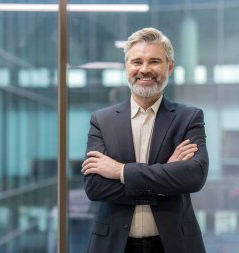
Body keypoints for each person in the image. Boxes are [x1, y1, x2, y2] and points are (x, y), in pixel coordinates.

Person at [81, 27, 209, 253]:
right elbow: (95, 187)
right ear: (126, 67)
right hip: (114, 245)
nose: (145, 70)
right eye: (137, 61)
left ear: (169, 66)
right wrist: (166, 175)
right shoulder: (102, 120)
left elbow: (194, 177)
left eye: (154, 62)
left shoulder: (189, 118)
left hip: (173, 244)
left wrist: (120, 172)